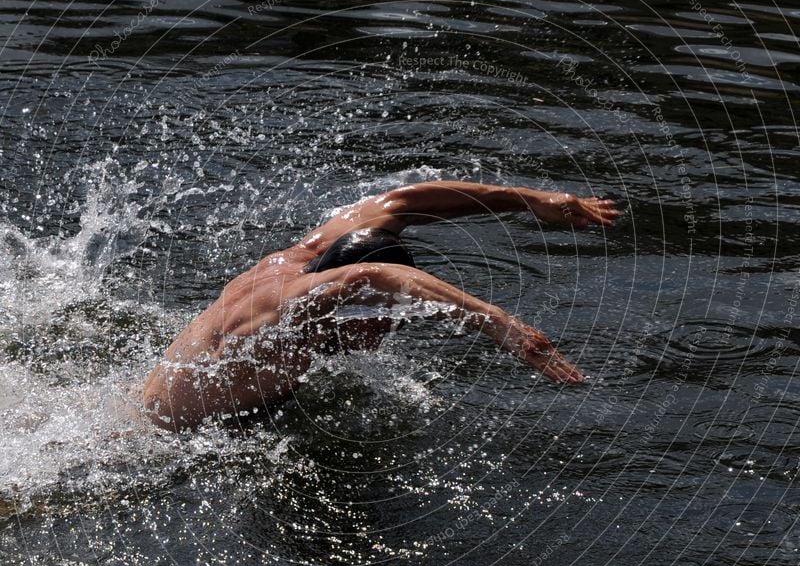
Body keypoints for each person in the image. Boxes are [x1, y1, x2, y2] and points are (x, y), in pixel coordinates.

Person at [140, 181, 618, 431]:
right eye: (378, 317)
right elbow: (369, 275)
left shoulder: (303, 258)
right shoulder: (289, 301)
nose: (382, 334)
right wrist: (501, 324)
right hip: (150, 447)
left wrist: (531, 200)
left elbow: (400, 203)